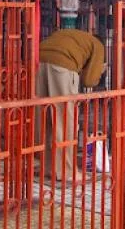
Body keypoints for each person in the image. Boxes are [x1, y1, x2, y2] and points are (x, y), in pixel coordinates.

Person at [36, 29, 105, 181]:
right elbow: (89, 80)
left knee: (46, 120)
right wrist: (100, 70)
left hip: (40, 61)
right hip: (62, 67)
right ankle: (66, 172)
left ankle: (48, 168)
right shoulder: (98, 46)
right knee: (65, 122)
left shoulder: (76, 37)